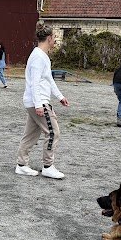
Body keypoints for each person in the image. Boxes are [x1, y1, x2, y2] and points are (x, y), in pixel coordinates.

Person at [15, 23, 69, 179]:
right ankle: (48, 166)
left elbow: (48, 80)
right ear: (49, 38)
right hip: (38, 103)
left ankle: (21, 165)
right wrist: (39, 105)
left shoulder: (41, 56)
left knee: (30, 135)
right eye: (55, 38)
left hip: (34, 102)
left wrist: (60, 97)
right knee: (53, 132)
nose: (55, 41)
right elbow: (35, 82)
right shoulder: (38, 56)